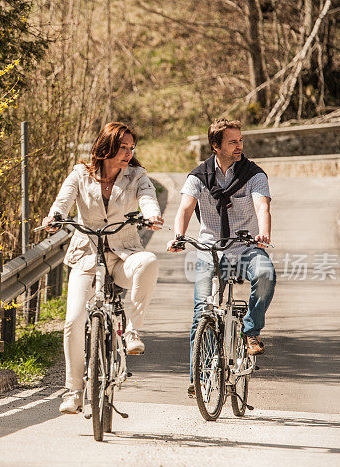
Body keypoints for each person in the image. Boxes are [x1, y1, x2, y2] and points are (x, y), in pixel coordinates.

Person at [43, 122, 163, 414]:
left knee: (149, 261)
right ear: (106, 147)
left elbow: (148, 198)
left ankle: (132, 331)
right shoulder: (80, 174)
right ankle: (73, 391)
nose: (128, 153)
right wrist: (54, 217)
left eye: (131, 148)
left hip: (124, 254)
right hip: (87, 255)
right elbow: (63, 202)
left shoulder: (137, 176)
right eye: (123, 147)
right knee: (73, 320)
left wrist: (152, 215)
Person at [166, 118, 276, 396]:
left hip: (247, 248)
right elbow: (184, 209)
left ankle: (251, 330)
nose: (240, 146)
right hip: (210, 252)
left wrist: (263, 233)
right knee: (202, 312)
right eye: (233, 141)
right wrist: (179, 236)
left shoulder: (254, 174)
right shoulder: (198, 176)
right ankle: (199, 379)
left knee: (265, 275)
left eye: (241, 140)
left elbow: (262, 207)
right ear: (216, 146)